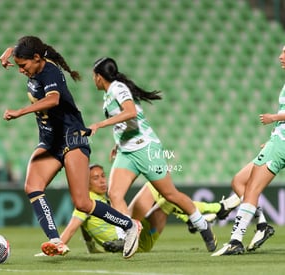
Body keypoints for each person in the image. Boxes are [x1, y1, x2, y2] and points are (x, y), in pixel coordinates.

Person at [0, 36, 142, 259]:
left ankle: (129, 226)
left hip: (71, 137)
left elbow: (53, 100)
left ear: (37, 58)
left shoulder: (50, 73)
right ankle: (56, 241)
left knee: (83, 203)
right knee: (32, 186)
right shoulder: (34, 64)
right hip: (49, 140)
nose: (21, 71)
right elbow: (26, 52)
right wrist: (10, 50)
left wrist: (20, 112)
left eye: (23, 66)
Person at [88, 57, 217, 252]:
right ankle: (126, 236)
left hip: (146, 149)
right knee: (115, 194)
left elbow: (130, 112)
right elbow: (125, 122)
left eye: (93, 76)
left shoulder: (117, 87)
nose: (93, 79)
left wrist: (100, 124)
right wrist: (117, 143)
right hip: (127, 151)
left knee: (170, 194)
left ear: (99, 77)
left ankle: (202, 225)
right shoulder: (108, 94)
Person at [35, 164, 238, 256]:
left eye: (103, 175)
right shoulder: (87, 203)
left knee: (165, 198)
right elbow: (73, 227)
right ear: (85, 183)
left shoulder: (95, 202)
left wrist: (92, 249)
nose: (102, 180)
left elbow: (83, 227)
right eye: (95, 178)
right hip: (128, 240)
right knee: (154, 187)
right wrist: (56, 245)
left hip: (138, 236)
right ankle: (214, 210)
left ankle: (195, 218)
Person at [211, 47, 285, 256]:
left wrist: (274, 118)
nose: (280, 56)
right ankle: (262, 225)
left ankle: (235, 241)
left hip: (281, 143)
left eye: (284, 52)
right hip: (278, 141)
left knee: (251, 189)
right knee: (239, 181)